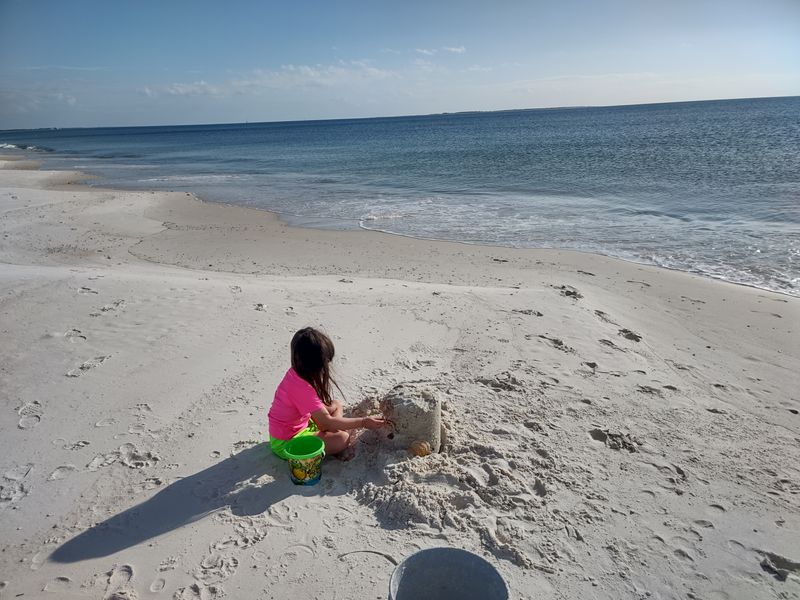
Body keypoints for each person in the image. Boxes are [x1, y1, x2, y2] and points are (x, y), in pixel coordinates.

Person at [268, 327, 386, 459]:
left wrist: (329, 423)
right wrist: (363, 422)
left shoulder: (296, 373)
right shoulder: (302, 387)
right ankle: (333, 436)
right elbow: (325, 423)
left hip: (302, 424)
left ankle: (332, 430)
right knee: (342, 439)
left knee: (335, 404)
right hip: (287, 442)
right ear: (314, 365)